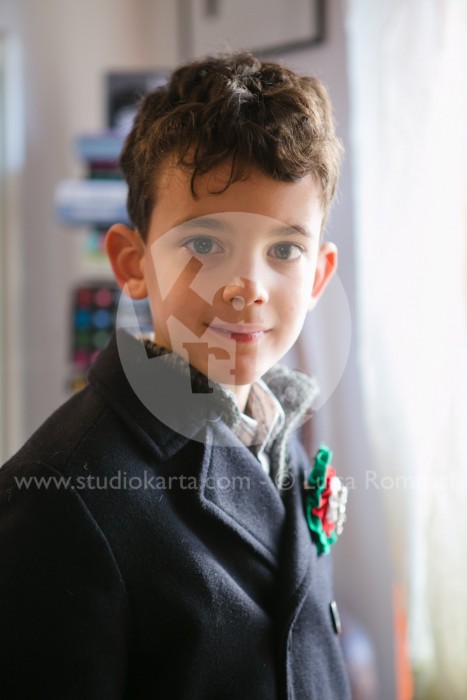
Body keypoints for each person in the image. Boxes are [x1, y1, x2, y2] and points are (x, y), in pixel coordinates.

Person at [0, 52, 350, 698]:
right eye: (205, 245)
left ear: (318, 277)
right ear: (133, 264)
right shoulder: (60, 499)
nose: (247, 288)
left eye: (284, 249)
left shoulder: (278, 434)